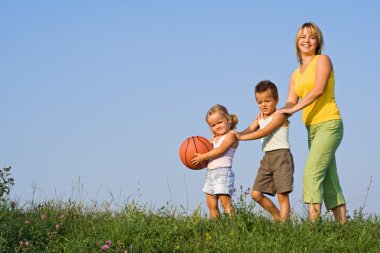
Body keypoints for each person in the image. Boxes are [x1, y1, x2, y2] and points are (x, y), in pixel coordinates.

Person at [278, 22, 346, 223]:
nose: (306, 40)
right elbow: (290, 102)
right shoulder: (295, 74)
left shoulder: (322, 60)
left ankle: (313, 228)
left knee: (311, 174)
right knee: (329, 178)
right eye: (302, 37)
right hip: (312, 129)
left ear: (318, 42)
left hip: (330, 123)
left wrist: (291, 110)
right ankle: (343, 227)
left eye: (312, 37)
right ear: (297, 42)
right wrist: (274, 114)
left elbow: (318, 90)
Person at [235, 80, 294, 222]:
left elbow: (263, 132)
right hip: (267, 158)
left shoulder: (280, 115)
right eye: (260, 102)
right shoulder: (259, 117)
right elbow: (247, 130)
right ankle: (277, 217)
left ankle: (284, 227)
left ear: (276, 100)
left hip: (281, 157)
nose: (263, 105)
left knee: (282, 195)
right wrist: (233, 135)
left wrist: (241, 138)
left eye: (267, 101)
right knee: (256, 194)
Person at [191, 104, 239, 218]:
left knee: (225, 203)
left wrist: (203, 157)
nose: (217, 126)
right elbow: (211, 151)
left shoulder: (231, 135)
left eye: (219, 122)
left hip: (223, 172)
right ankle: (215, 228)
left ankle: (234, 226)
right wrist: (209, 143)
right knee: (211, 204)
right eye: (213, 125)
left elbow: (221, 150)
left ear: (228, 119)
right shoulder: (214, 139)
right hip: (210, 173)